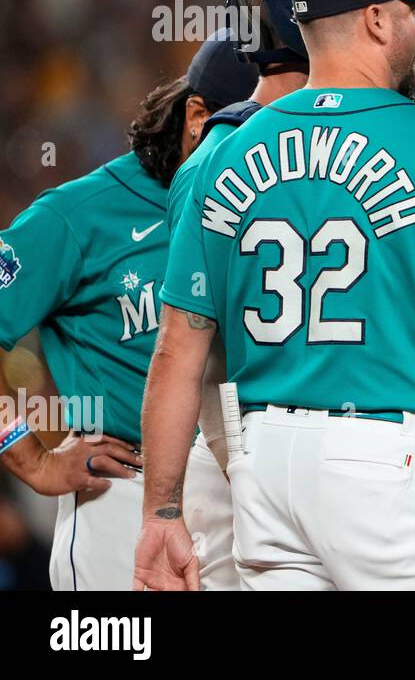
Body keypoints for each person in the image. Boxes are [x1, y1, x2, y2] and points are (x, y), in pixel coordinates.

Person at [135, 0, 415, 590]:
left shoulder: (219, 152)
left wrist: (162, 510)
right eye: (411, 10)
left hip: (265, 463)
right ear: (377, 20)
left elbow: (179, 349)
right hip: (387, 461)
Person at [0, 31, 255, 589]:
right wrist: (32, 461)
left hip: (250, 497)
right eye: (253, 127)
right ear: (197, 118)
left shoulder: (266, 206)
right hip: (124, 494)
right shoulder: (79, 214)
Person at [166, 0, 323, 590]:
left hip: (299, 459)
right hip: (249, 466)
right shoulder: (228, 153)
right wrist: (241, 457)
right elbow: (197, 353)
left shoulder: (223, 154)